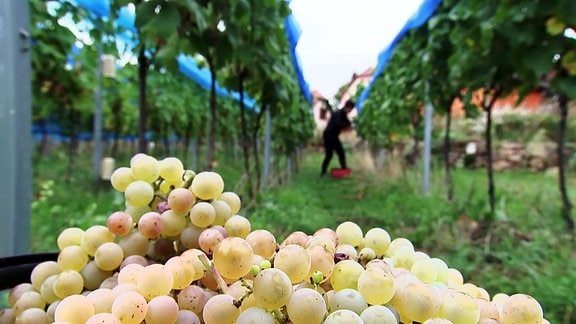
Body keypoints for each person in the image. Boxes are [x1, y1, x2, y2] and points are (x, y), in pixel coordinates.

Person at [320, 99, 355, 177]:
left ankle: (344, 169)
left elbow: (347, 122)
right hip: (328, 136)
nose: (351, 111)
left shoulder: (343, 114)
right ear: (348, 107)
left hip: (334, 136)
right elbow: (339, 123)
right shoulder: (338, 113)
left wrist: (351, 124)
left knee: (341, 152)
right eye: (351, 109)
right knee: (329, 154)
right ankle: (323, 172)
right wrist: (348, 125)